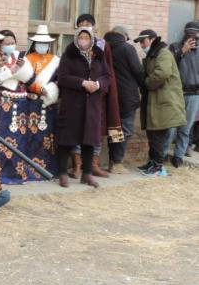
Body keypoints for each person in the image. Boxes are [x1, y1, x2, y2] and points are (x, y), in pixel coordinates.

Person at [0, 27, 58, 183]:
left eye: (12, 42)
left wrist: (21, 70)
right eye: (6, 43)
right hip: (3, 103)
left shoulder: (21, 57)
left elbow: (30, 79)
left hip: (22, 103)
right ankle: (2, 173)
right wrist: (11, 70)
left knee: (20, 140)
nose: (10, 45)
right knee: (3, 139)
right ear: (0, 44)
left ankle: (20, 172)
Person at [70, 14, 123, 178]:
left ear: (94, 27)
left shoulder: (102, 45)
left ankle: (93, 165)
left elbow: (108, 69)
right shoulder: (73, 46)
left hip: (97, 95)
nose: (84, 27)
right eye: (81, 24)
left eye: (88, 24)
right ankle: (77, 166)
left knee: (96, 130)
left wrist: (99, 85)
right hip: (78, 94)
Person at [56, 27, 110, 188]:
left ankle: (87, 174)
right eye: (81, 37)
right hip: (72, 105)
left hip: (92, 105)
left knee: (89, 141)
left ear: (92, 39)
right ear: (76, 38)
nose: (84, 40)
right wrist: (82, 83)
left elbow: (107, 76)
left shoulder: (99, 55)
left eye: (87, 37)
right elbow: (62, 77)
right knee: (66, 140)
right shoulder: (69, 55)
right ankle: (62, 173)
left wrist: (98, 84)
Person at [135, 29, 186, 176]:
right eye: (140, 42)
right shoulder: (153, 54)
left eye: (143, 41)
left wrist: (146, 83)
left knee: (158, 135)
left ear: (152, 39)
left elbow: (161, 74)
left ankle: (159, 167)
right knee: (153, 134)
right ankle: (153, 163)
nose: (141, 45)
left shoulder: (163, 53)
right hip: (157, 102)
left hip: (165, 103)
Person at [104, 26, 144, 173]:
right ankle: (117, 162)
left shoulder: (104, 47)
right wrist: (143, 86)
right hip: (127, 96)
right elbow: (138, 70)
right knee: (125, 129)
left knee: (114, 128)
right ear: (124, 36)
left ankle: (112, 161)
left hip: (110, 95)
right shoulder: (127, 48)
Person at [166, 21, 199, 167]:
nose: (192, 36)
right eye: (189, 33)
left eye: (194, 33)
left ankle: (178, 156)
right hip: (176, 93)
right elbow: (168, 65)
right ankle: (163, 154)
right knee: (171, 128)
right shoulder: (174, 47)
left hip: (194, 95)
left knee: (186, 128)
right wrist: (182, 51)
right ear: (184, 33)